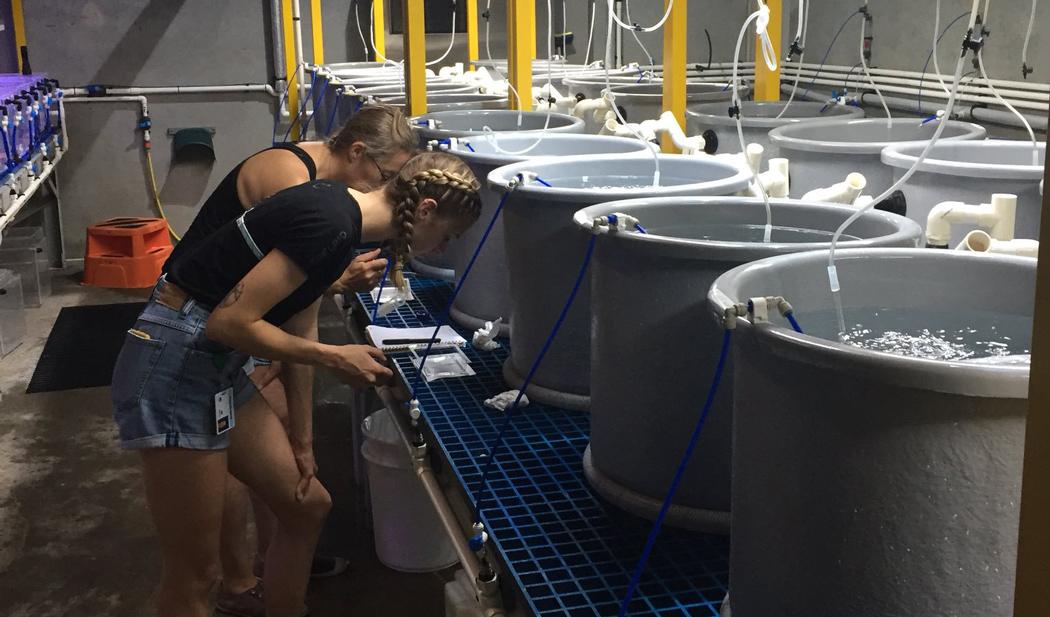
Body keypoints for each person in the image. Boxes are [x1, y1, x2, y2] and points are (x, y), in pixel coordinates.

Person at [112, 151, 482, 617]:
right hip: (176, 363)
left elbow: (274, 312)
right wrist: (333, 356)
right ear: (425, 210)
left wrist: (303, 443)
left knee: (307, 507)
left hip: (214, 361)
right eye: (448, 236)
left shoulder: (341, 213)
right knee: (195, 576)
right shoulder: (330, 223)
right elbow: (229, 322)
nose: (443, 249)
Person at [159, 104, 418, 616]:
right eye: (385, 177)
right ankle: (237, 581)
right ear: (358, 152)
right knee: (225, 457)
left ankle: (274, 559)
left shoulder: (324, 192)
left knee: (282, 454)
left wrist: (304, 440)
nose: (384, 191)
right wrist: (334, 285)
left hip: (233, 323)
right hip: (194, 326)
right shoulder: (293, 182)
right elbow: (280, 304)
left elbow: (295, 302)